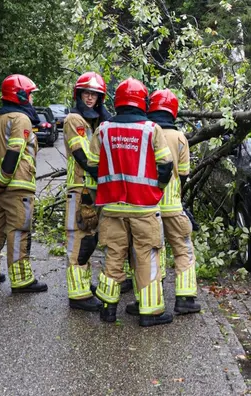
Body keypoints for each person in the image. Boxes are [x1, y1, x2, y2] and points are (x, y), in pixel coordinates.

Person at [88, 78, 173, 326]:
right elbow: (166, 165)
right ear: (142, 101)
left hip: (112, 206)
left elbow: (92, 165)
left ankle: (108, 308)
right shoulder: (150, 129)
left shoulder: (103, 129)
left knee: (113, 256)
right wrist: (157, 188)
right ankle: (150, 312)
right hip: (144, 207)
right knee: (146, 256)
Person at [125, 89, 200, 316]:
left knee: (145, 253)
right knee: (183, 249)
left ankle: (144, 300)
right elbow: (184, 173)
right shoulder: (180, 138)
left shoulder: (144, 133)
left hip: (146, 205)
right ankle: (185, 299)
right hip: (173, 206)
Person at [0, 74, 47, 293]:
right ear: (21, 95)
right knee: (19, 230)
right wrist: (2, 181)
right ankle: (21, 280)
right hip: (17, 188)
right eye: (31, 94)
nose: (32, 99)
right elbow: (14, 150)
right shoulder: (21, 119)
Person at [63, 72, 113, 311]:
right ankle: (78, 295)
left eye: (95, 94)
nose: (90, 98)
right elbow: (83, 156)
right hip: (80, 186)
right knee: (78, 238)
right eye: (87, 93)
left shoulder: (95, 122)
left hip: (92, 189)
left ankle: (84, 285)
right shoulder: (74, 119)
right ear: (79, 94)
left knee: (89, 238)